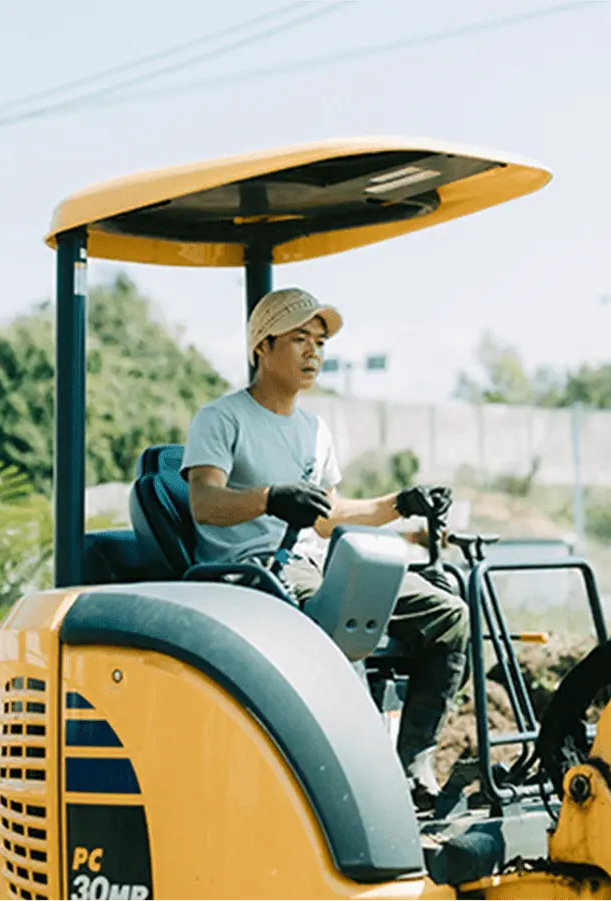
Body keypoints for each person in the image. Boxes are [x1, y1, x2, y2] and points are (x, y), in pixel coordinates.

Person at [180, 286, 469, 809]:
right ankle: (355, 778)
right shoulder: (221, 418)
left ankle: (411, 766)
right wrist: (270, 499)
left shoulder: (314, 429)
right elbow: (204, 502)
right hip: (254, 572)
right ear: (262, 346)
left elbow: (327, 518)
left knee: (448, 614)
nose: (314, 352)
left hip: (316, 566)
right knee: (341, 609)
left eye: (319, 342)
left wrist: (402, 504)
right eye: (299, 339)